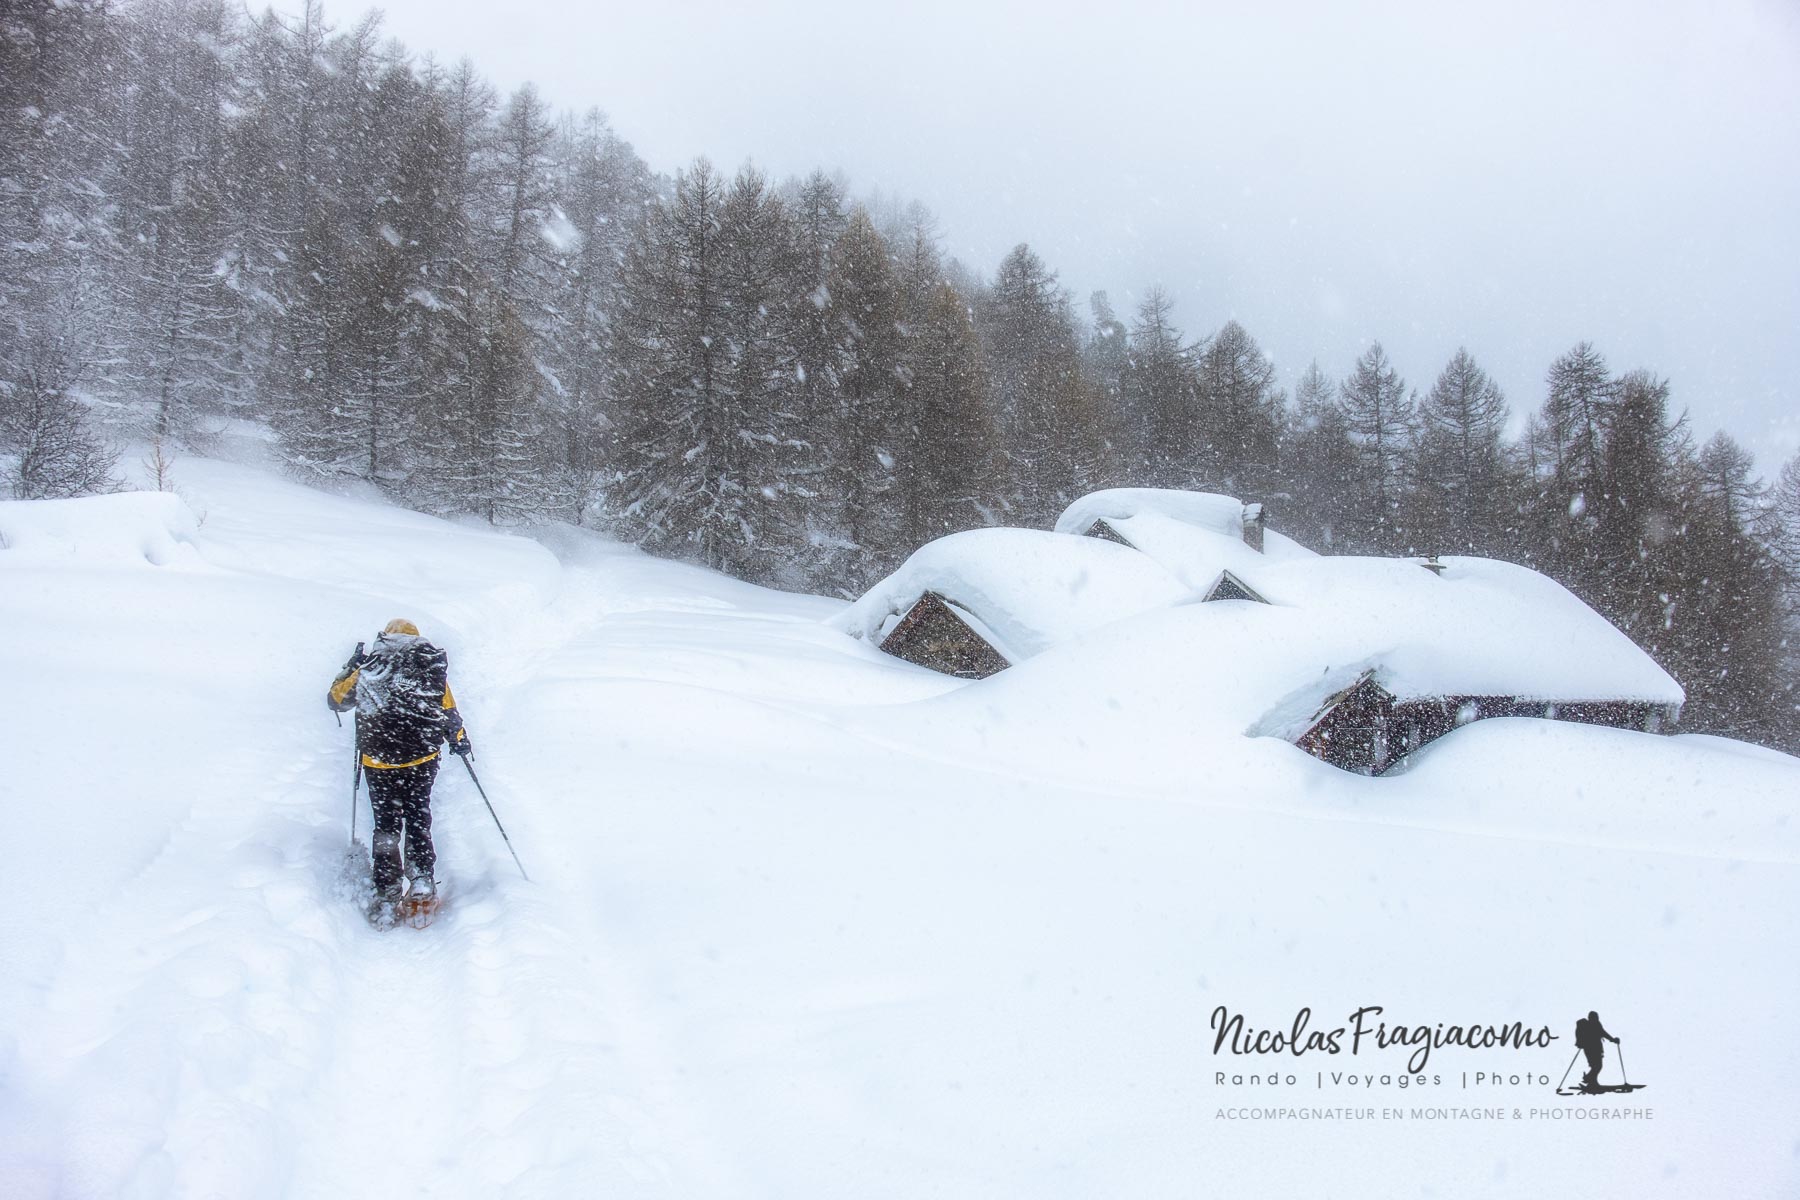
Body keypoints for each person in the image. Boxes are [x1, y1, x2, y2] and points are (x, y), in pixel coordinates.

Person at [328, 619, 471, 914]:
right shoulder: (426, 668)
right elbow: (448, 711)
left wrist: (350, 666)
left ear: (387, 637)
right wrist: (459, 740)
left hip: (379, 762)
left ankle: (387, 889)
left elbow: (336, 700)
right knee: (418, 817)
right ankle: (421, 879)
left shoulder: (371, 667)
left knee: (386, 824)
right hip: (421, 759)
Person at [1573, 1010, 1620, 1091]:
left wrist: (1613, 1040)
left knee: (1595, 1066)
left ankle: (1592, 1082)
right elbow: (1604, 1033)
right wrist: (1613, 1040)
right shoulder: (1594, 1025)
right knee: (1597, 1066)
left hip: (1591, 1049)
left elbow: (1603, 1033)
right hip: (1593, 1049)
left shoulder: (1591, 1025)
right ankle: (1589, 1079)